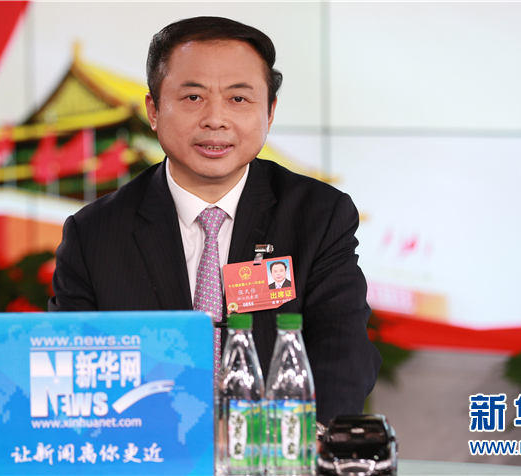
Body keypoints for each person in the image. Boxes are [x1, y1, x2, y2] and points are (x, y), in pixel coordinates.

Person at [48, 16, 380, 423]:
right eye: (193, 97)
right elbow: (73, 372)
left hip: (274, 447)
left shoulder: (319, 215)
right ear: (154, 110)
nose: (215, 119)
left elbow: (342, 351)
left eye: (238, 99)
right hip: (146, 446)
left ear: (270, 113)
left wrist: (303, 444)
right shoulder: (93, 234)